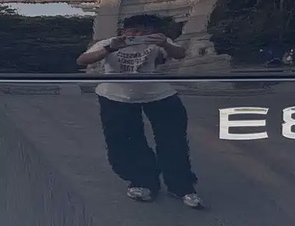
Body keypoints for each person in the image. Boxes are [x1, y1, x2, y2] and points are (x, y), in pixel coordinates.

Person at [77, 14, 204, 209]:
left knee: (173, 141)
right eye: (134, 32)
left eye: (145, 32)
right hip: (116, 96)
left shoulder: (157, 42)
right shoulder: (110, 42)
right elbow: (82, 60)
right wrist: (110, 48)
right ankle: (143, 181)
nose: (138, 36)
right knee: (127, 142)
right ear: (123, 32)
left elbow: (180, 54)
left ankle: (181, 186)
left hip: (158, 93)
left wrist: (165, 44)